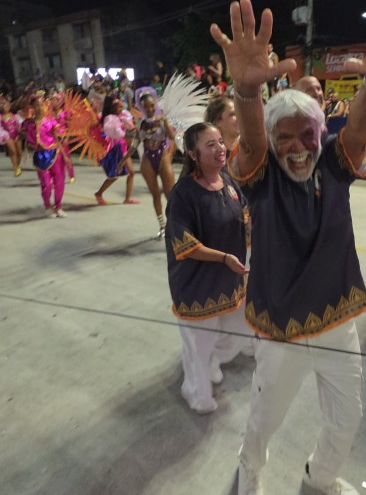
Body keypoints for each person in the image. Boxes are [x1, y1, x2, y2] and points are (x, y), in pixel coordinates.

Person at [211, 0, 366, 495]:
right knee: (265, 418)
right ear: (271, 141)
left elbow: (359, 130)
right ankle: (250, 470)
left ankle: (321, 475)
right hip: (279, 328)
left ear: (320, 132)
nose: (297, 148)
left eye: (306, 135)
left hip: (337, 321)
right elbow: (252, 147)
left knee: (346, 416)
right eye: (284, 138)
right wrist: (246, 93)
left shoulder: (333, 160)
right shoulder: (259, 175)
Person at [165, 122, 252, 414]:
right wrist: (225, 258)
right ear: (193, 153)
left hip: (230, 279)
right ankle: (196, 392)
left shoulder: (228, 182)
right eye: (210, 145)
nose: (220, 149)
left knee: (241, 327)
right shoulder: (183, 194)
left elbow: (245, 217)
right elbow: (184, 243)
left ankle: (212, 360)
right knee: (199, 346)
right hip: (197, 284)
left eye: (220, 142)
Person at [136, 89, 177, 238]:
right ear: (142, 107)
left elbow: (172, 136)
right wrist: (124, 158)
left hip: (162, 156)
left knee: (170, 194)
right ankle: (162, 226)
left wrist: (166, 123)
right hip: (147, 159)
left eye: (152, 105)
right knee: (155, 194)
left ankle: (176, 224)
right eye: (146, 106)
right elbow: (136, 142)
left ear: (155, 104)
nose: (150, 109)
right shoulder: (140, 123)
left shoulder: (162, 120)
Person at [93, 96, 139, 205]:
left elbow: (131, 128)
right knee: (114, 176)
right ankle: (99, 193)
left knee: (131, 172)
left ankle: (127, 199)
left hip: (123, 148)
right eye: (119, 107)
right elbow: (115, 132)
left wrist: (133, 127)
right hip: (115, 148)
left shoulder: (122, 117)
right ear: (113, 108)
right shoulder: (110, 118)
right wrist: (126, 134)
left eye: (122, 107)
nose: (121, 109)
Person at [30, 101, 68, 218]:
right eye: (37, 105)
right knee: (46, 183)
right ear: (33, 107)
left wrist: (64, 154)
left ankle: (58, 206)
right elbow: (28, 142)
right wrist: (35, 146)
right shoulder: (30, 124)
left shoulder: (51, 121)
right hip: (40, 156)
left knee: (59, 181)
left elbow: (59, 136)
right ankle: (47, 206)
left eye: (42, 105)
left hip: (55, 153)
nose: (40, 108)